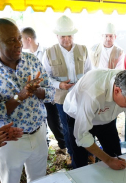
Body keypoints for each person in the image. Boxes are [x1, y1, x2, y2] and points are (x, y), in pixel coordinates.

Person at [0, 18, 55, 183]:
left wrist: (36, 90)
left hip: (39, 133)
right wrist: (20, 96)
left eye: (19, 38)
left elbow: (50, 93)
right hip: (10, 141)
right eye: (11, 40)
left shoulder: (31, 60)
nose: (19, 44)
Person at [64, 69, 126, 172]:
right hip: (77, 115)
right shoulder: (93, 93)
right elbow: (82, 135)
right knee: (80, 159)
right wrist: (108, 160)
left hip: (106, 120)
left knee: (116, 154)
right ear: (117, 91)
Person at [42, 15, 92, 160]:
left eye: (69, 36)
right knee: (67, 127)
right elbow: (46, 77)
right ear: (57, 36)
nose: (66, 39)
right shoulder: (49, 52)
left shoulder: (83, 49)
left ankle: (88, 152)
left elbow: (90, 71)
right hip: (62, 97)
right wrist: (59, 84)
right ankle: (72, 153)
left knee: (85, 124)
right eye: (63, 36)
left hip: (81, 95)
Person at [21, 27, 67, 153]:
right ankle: (44, 148)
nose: (20, 43)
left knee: (54, 122)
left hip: (49, 93)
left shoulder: (48, 52)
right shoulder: (23, 57)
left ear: (28, 39)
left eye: (21, 39)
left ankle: (64, 147)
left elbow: (53, 74)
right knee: (40, 123)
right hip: (32, 95)